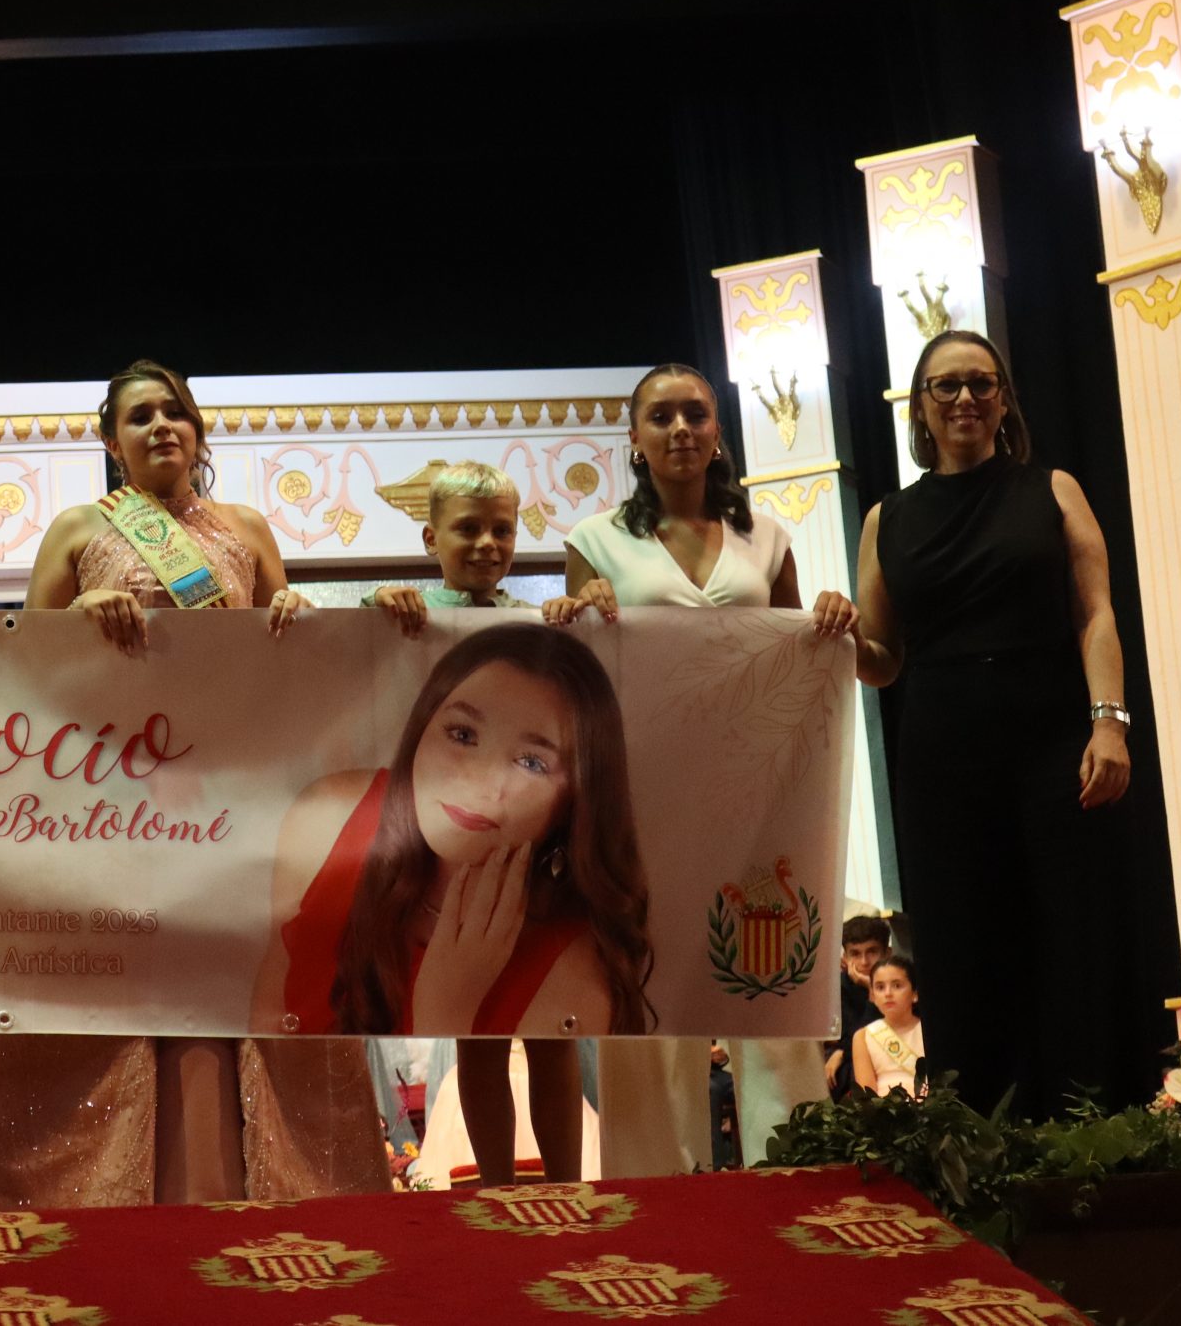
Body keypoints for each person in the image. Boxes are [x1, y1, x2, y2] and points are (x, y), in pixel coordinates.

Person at [0, 360, 386, 1208]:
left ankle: (248, 1185)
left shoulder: (248, 528)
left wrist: (296, 618)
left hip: (231, 800)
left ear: (197, 430)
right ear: (110, 440)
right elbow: (21, 670)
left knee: (240, 976)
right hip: (113, 804)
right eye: (140, 416)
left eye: (175, 412)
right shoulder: (78, 530)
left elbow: (292, 672)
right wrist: (73, 620)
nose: (161, 426)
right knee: (121, 978)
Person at [549, 361, 857, 1177]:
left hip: (758, 796)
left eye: (695, 413)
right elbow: (579, 675)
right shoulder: (593, 541)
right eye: (662, 416)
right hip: (641, 795)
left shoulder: (769, 538)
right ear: (635, 438)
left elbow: (798, 654)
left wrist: (828, 614)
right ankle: (655, 1187)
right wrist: (576, 617)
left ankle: (792, 1173)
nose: (680, 428)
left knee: (766, 975)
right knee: (646, 990)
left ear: (718, 431)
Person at [854, 330, 1146, 1117]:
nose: (965, 399)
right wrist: (836, 639)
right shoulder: (887, 518)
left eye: (982, 383)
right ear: (921, 407)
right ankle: (980, 1128)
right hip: (940, 748)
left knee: (1069, 925)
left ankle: (1088, 1119)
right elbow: (882, 658)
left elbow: (1095, 614)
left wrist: (1109, 722)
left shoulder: (1053, 489)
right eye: (946, 386)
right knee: (961, 936)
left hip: (1052, 736)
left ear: (1005, 400)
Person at [260, 622, 651, 1198]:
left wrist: (448, 1005)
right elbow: (265, 1029)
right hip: (313, 1180)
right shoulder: (330, 818)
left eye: (532, 762)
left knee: (546, 1057)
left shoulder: (573, 953)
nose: (481, 778)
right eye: (463, 734)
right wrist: (445, 1007)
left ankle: (556, 1199)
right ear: (423, 726)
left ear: (576, 797)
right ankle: (498, 1196)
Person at [356, 462, 588, 1184]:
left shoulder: (542, 622)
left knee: (552, 1030)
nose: (488, 543)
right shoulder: (402, 615)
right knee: (478, 1036)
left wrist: (587, 614)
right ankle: (495, 1188)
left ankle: (565, 1185)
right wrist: (373, 611)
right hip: (446, 866)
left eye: (502, 529)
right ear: (431, 538)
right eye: (468, 529)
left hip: (532, 856)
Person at [823, 915, 891, 1100]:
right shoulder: (837, 988)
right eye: (855, 954)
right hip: (852, 1061)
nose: (864, 962)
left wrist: (872, 989)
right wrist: (842, 1051)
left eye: (872, 952)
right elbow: (845, 1037)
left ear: (887, 953)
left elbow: (887, 1031)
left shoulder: (900, 982)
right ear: (845, 958)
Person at [852, 954, 926, 1099]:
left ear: (915, 994)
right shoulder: (862, 1036)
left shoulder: (929, 1032)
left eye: (897, 986)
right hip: (883, 1109)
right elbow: (867, 1097)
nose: (888, 993)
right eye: (880, 987)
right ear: (872, 996)